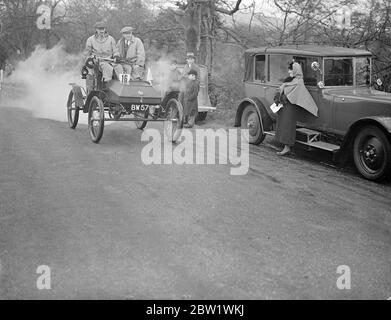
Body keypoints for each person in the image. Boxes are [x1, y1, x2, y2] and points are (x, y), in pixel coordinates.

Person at [274, 62, 318, 156]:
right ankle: (284, 146)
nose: (289, 71)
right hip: (284, 106)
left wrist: (284, 95)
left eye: (290, 69)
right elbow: (283, 89)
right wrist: (280, 96)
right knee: (283, 124)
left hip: (290, 107)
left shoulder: (298, 82)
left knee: (288, 126)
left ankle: (287, 148)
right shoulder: (291, 80)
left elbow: (296, 95)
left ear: (295, 70)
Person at [83, 21, 122, 86]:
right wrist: (88, 59)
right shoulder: (90, 39)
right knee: (107, 67)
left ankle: (121, 86)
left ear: (105, 29)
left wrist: (116, 56)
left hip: (110, 60)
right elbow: (87, 52)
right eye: (99, 29)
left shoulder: (111, 39)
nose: (101, 31)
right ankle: (107, 86)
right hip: (97, 61)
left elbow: (115, 51)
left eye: (103, 29)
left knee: (119, 67)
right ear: (96, 29)